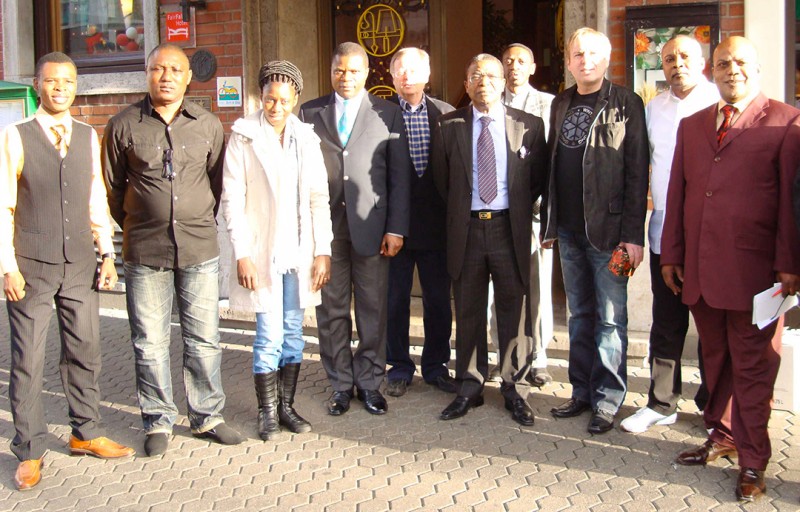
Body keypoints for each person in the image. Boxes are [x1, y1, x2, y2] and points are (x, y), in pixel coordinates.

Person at [662, 36, 800, 502]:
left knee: (754, 369)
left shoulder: (785, 122)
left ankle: (754, 461)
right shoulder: (692, 124)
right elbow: (679, 194)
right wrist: (673, 253)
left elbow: (790, 203)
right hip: (700, 270)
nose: (731, 70)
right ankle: (722, 435)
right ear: (712, 71)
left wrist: (789, 264)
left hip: (756, 276)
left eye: (740, 62)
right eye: (723, 63)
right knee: (715, 361)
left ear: (756, 68)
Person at [0, 52, 134, 491]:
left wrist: (106, 253)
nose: (60, 88)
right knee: (28, 360)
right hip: (32, 265)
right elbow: (3, 207)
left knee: (86, 350)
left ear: (76, 86)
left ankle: (85, 431)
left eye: (68, 81)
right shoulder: (15, 136)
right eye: (52, 81)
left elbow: (95, 197)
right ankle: (30, 448)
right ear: (38, 85)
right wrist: (8, 267)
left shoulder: (86, 134)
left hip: (79, 263)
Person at [103, 43, 242, 456]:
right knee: (149, 341)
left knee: (204, 338)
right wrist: (140, 218)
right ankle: (157, 419)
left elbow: (218, 185)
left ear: (187, 77)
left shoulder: (208, 125)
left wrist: (194, 217)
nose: (165, 76)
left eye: (174, 69)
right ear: (147, 74)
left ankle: (207, 416)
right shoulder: (123, 125)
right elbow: (113, 190)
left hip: (198, 248)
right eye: (157, 69)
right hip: (145, 250)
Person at [431, 53, 548, 426]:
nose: (484, 81)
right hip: (466, 230)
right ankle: (470, 385)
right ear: (466, 84)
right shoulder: (448, 126)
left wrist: (514, 213)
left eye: (492, 75)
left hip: (507, 229)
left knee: (515, 311)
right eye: (475, 75)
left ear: (504, 83)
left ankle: (515, 387)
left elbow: (537, 179)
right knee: (467, 310)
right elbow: (442, 181)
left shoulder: (528, 125)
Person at [544, 27, 649, 434]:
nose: (584, 60)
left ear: (606, 60)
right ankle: (581, 392)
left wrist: (633, 236)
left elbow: (637, 173)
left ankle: (607, 400)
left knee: (610, 318)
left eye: (592, 54)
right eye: (577, 54)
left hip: (610, 236)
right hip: (569, 232)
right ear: (569, 61)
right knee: (579, 316)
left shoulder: (626, 103)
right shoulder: (561, 102)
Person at [221, 61, 333, 440]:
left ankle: (287, 406)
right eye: (270, 99)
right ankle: (266, 412)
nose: (276, 107)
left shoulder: (307, 138)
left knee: (293, 332)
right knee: (268, 334)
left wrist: (323, 251)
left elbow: (320, 198)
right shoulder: (243, 135)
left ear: (295, 99)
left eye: (284, 100)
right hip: (262, 252)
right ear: (261, 96)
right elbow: (231, 199)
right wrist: (242, 254)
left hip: (299, 253)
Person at [299, 42, 412, 416]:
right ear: (331, 71)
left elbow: (399, 177)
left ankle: (369, 382)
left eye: (353, 71)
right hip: (326, 230)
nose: (345, 78)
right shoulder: (309, 112)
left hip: (372, 227)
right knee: (331, 311)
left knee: (372, 309)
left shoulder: (389, 113)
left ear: (367, 73)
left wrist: (395, 228)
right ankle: (340, 385)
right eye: (339, 71)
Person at [620, 35, 717, 434]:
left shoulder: (718, 103)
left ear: (703, 62)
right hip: (664, 231)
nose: (677, 64)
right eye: (668, 58)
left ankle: (714, 407)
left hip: (710, 235)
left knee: (713, 325)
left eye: (684, 57)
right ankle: (662, 402)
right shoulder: (653, 108)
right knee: (666, 321)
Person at [384, 47, 456, 398]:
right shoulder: (379, 115)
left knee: (438, 300)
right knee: (395, 299)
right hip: (394, 228)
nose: (407, 75)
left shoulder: (447, 115)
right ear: (392, 76)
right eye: (400, 69)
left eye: (414, 69)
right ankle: (398, 365)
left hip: (437, 227)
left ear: (428, 74)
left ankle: (436, 365)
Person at [491, 42, 556, 387]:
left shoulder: (548, 105)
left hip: (533, 214)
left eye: (521, 62)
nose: (514, 66)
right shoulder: (488, 102)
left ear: (532, 68)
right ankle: (499, 352)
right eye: (508, 61)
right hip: (494, 214)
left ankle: (540, 357)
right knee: (494, 289)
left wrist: (545, 212)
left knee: (536, 288)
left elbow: (553, 164)